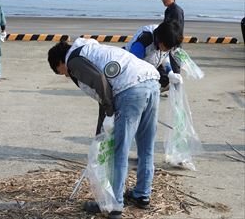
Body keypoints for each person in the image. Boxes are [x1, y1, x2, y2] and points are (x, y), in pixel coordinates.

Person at [48, 38, 161, 219]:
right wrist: (101, 131)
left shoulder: (73, 61)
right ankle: (142, 195)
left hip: (130, 89)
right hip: (151, 81)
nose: (65, 75)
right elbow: (104, 93)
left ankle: (114, 206)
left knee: (119, 150)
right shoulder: (91, 50)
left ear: (60, 62)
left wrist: (110, 110)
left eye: (60, 72)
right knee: (146, 145)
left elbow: (100, 82)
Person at [124, 21, 183, 91]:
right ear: (160, 41)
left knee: (164, 80)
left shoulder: (167, 36)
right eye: (168, 48)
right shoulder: (144, 42)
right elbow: (133, 67)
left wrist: (170, 73)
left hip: (151, 61)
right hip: (130, 65)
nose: (169, 50)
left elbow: (164, 55)